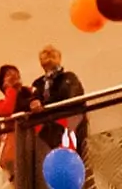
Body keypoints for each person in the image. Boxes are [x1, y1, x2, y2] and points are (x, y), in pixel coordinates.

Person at [23, 45, 83, 189]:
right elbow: (30, 100)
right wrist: (33, 103)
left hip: (66, 127)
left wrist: (43, 105)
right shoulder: (38, 84)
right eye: (44, 54)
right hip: (46, 134)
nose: (48, 56)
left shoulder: (68, 77)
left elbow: (71, 97)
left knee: (69, 167)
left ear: (59, 58)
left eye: (52, 54)